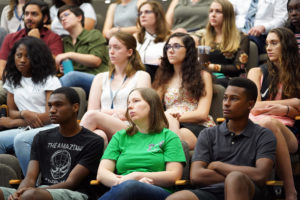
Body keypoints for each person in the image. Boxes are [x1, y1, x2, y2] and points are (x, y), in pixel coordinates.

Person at [166, 77, 277, 200]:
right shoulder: (207, 134)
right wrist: (237, 175)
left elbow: (261, 176)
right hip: (211, 192)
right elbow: (196, 176)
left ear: (250, 104)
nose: (226, 103)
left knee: (236, 179)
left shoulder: (264, 135)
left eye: (234, 98)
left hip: (248, 192)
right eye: (225, 98)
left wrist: (218, 166)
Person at [0, 87, 104, 200]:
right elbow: (30, 178)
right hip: (40, 192)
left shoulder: (93, 141)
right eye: (50, 106)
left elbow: (71, 182)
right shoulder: (41, 137)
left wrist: (32, 191)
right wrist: (19, 193)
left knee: (30, 195)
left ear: (75, 107)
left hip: (75, 194)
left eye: (58, 105)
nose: (52, 110)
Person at [97, 87, 186, 200]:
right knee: (130, 186)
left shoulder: (169, 136)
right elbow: (102, 173)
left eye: (136, 101)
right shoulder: (120, 136)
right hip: (122, 188)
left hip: (158, 191)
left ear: (152, 105)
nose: (129, 106)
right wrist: (120, 181)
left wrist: (136, 176)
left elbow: (174, 175)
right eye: (128, 102)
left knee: (131, 186)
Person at [248, 27, 299, 200]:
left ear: (287, 45)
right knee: (266, 123)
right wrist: (291, 107)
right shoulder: (256, 72)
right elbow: (254, 106)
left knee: (269, 123)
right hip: (254, 127)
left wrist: (284, 110)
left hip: (289, 133)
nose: (268, 48)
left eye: (274, 43)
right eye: (267, 43)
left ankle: (290, 191)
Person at [0, 36, 61, 176]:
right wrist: (24, 114)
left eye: (28, 56)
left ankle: (33, 181)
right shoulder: (12, 79)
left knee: (21, 139)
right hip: (25, 127)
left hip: (49, 127)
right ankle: (8, 179)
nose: (22, 60)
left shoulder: (50, 80)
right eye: (19, 55)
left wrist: (13, 122)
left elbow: (51, 114)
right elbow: (13, 111)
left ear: (38, 58)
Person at [80, 32, 151, 144]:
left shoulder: (142, 76)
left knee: (92, 116)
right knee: (99, 136)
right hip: (102, 126)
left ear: (129, 52)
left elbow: (141, 110)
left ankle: (69, 150)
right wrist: (116, 113)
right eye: (110, 48)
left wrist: (104, 112)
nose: (111, 52)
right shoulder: (100, 77)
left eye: (117, 48)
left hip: (131, 126)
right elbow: (92, 110)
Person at [153, 32, 215, 150]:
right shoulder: (164, 77)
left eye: (176, 46)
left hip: (197, 126)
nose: (170, 50)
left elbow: (202, 114)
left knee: (168, 139)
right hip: (169, 123)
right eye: (168, 46)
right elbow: (152, 105)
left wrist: (171, 117)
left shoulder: (203, 76)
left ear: (189, 51)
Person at [0, 0, 63, 104]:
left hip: (39, 84)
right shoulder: (11, 38)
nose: (29, 17)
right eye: (26, 14)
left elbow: (53, 67)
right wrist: (13, 80)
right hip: (12, 83)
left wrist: (36, 42)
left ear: (45, 18)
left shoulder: (54, 38)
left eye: (34, 14)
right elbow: (1, 68)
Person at [55, 5, 109, 96]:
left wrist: (70, 55)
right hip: (75, 82)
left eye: (66, 15)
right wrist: (61, 69)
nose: (63, 19)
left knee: (72, 76)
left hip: (97, 79)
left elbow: (96, 61)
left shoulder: (94, 34)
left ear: (79, 17)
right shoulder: (65, 41)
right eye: (61, 18)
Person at [198, 0, 249, 88]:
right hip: (206, 76)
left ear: (227, 16)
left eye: (218, 11)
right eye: (211, 11)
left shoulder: (241, 38)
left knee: (212, 83)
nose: (213, 15)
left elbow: (239, 67)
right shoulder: (204, 37)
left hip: (228, 80)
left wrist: (211, 66)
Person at [136, 1, 170, 82]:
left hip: (160, 79)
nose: (143, 15)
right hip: (136, 78)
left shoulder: (169, 38)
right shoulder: (136, 38)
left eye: (147, 12)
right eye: (140, 13)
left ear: (157, 15)